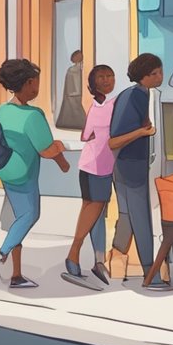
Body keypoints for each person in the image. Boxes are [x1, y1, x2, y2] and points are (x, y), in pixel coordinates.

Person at [0, 59, 70, 289]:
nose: (37, 86)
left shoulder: (2, 110)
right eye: (36, 81)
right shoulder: (33, 115)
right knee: (29, 215)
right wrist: (62, 157)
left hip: (5, 169)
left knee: (17, 219)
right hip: (24, 173)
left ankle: (16, 275)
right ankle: (4, 251)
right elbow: (46, 150)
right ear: (28, 83)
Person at [108, 54, 165, 289]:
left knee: (128, 218)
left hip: (128, 164)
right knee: (141, 219)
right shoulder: (134, 96)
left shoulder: (143, 94)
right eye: (155, 74)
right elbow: (114, 140)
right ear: (144, 76)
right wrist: (142, 133)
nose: (160, 77)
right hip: (130, 164)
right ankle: (150, 274)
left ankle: (116, 266)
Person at [62, 64, 118, 290]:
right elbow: (86, 135)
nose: (107, 80)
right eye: (102, 77)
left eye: (110, 76)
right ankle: (74, 254)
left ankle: (98, 260)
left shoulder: (102, 105)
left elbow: (87, 134)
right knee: (93, 210)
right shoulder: (102, 107)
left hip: (95, 165)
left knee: (94, 212)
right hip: (96, 166)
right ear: (93, 83)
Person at [56, 50, 87, 130]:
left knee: (75, 109)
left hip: (73, 93)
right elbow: (74, 82)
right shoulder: (74, 70)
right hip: (73, 93)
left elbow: (76, 82)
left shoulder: (73, 70)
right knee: (74, 109)